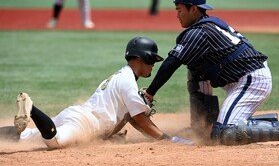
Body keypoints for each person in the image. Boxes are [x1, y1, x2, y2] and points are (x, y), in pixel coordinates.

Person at [142, 0, 279, 146]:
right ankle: (204, 126)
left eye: (179, 10)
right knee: (194, 66)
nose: (177, 15)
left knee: (227, 132)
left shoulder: (199, 33)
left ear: (193, 9)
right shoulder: (207, 26)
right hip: (241, 78)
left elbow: (171, 63)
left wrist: (150, 93)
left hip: (251, 81)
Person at [0, 36, 195, 149]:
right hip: (85, 123)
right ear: (140, 58)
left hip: (78, 115)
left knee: (30, 136)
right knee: (55, 142)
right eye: (151, 60)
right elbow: (140, 121)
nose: (153, 65)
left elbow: (130, 118)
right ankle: (31, 108)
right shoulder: (127, 82)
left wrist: (109, 135)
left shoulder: (122, 75)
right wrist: (168, 139)